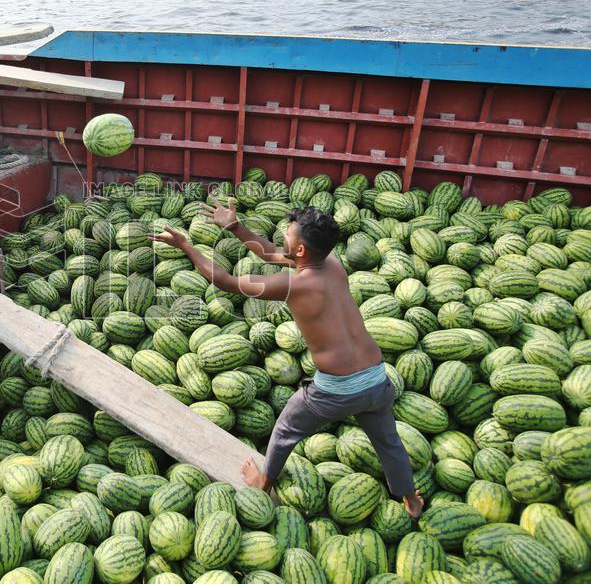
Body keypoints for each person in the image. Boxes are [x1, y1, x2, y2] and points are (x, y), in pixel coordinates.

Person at [149, 203, 426, 519]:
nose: (283, 236)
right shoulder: (332, 263)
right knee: (389, 443)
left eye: (288, 234)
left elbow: (226, 281)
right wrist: (235, 227)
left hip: (336, 390)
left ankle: (263, 484)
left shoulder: (295, 285)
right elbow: (271, 254)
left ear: (302, 249)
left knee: (284, 430)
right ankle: (410, 499)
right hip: (377, 380)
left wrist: (186, 246)